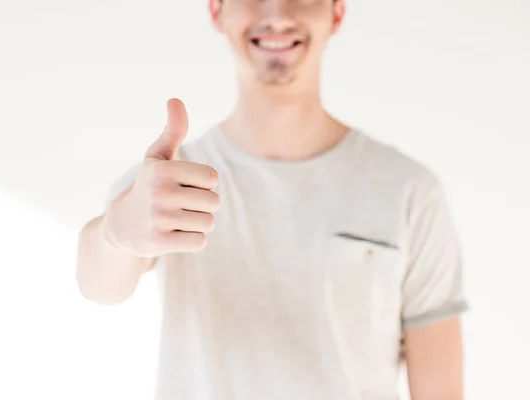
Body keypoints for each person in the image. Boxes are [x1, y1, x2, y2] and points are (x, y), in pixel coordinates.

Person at [76, 0, 469, 398]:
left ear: (336, 12)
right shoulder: (167, 183)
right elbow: (99, 285)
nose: (278, 14)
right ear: (216, 10)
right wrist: (113, 235)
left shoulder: (409, 191)